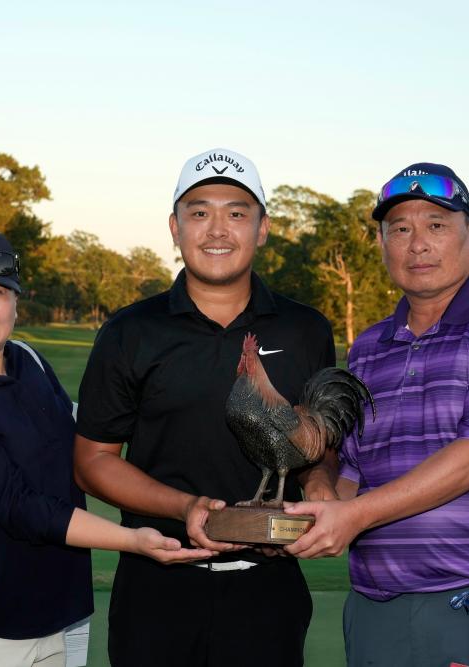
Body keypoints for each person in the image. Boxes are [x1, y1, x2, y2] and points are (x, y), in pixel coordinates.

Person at [285, 163, 469, 666]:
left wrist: (353, 516)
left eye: (436, 224)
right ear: (382, 243)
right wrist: (316, 506)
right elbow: (350, 470)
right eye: (400, 229)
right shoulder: (368, 348)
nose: (417, 244)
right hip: (376, 605)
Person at [0, 226, 211, 667]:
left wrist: (175, 421)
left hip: (58, 615)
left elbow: (82, 432)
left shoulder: (28, 360)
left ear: (15, 300)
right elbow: (20, 507)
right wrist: (132, 540)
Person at [73, 148, 337, 667]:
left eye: (237, 213)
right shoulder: (130, 331)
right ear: (175, 227)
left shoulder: (305, 329)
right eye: (199, 212)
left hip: (270, 592)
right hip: (157, 588)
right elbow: (92, 461)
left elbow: (318, 444)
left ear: (262, 228)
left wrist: (323, 484)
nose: (218, 229)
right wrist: (185, 507)